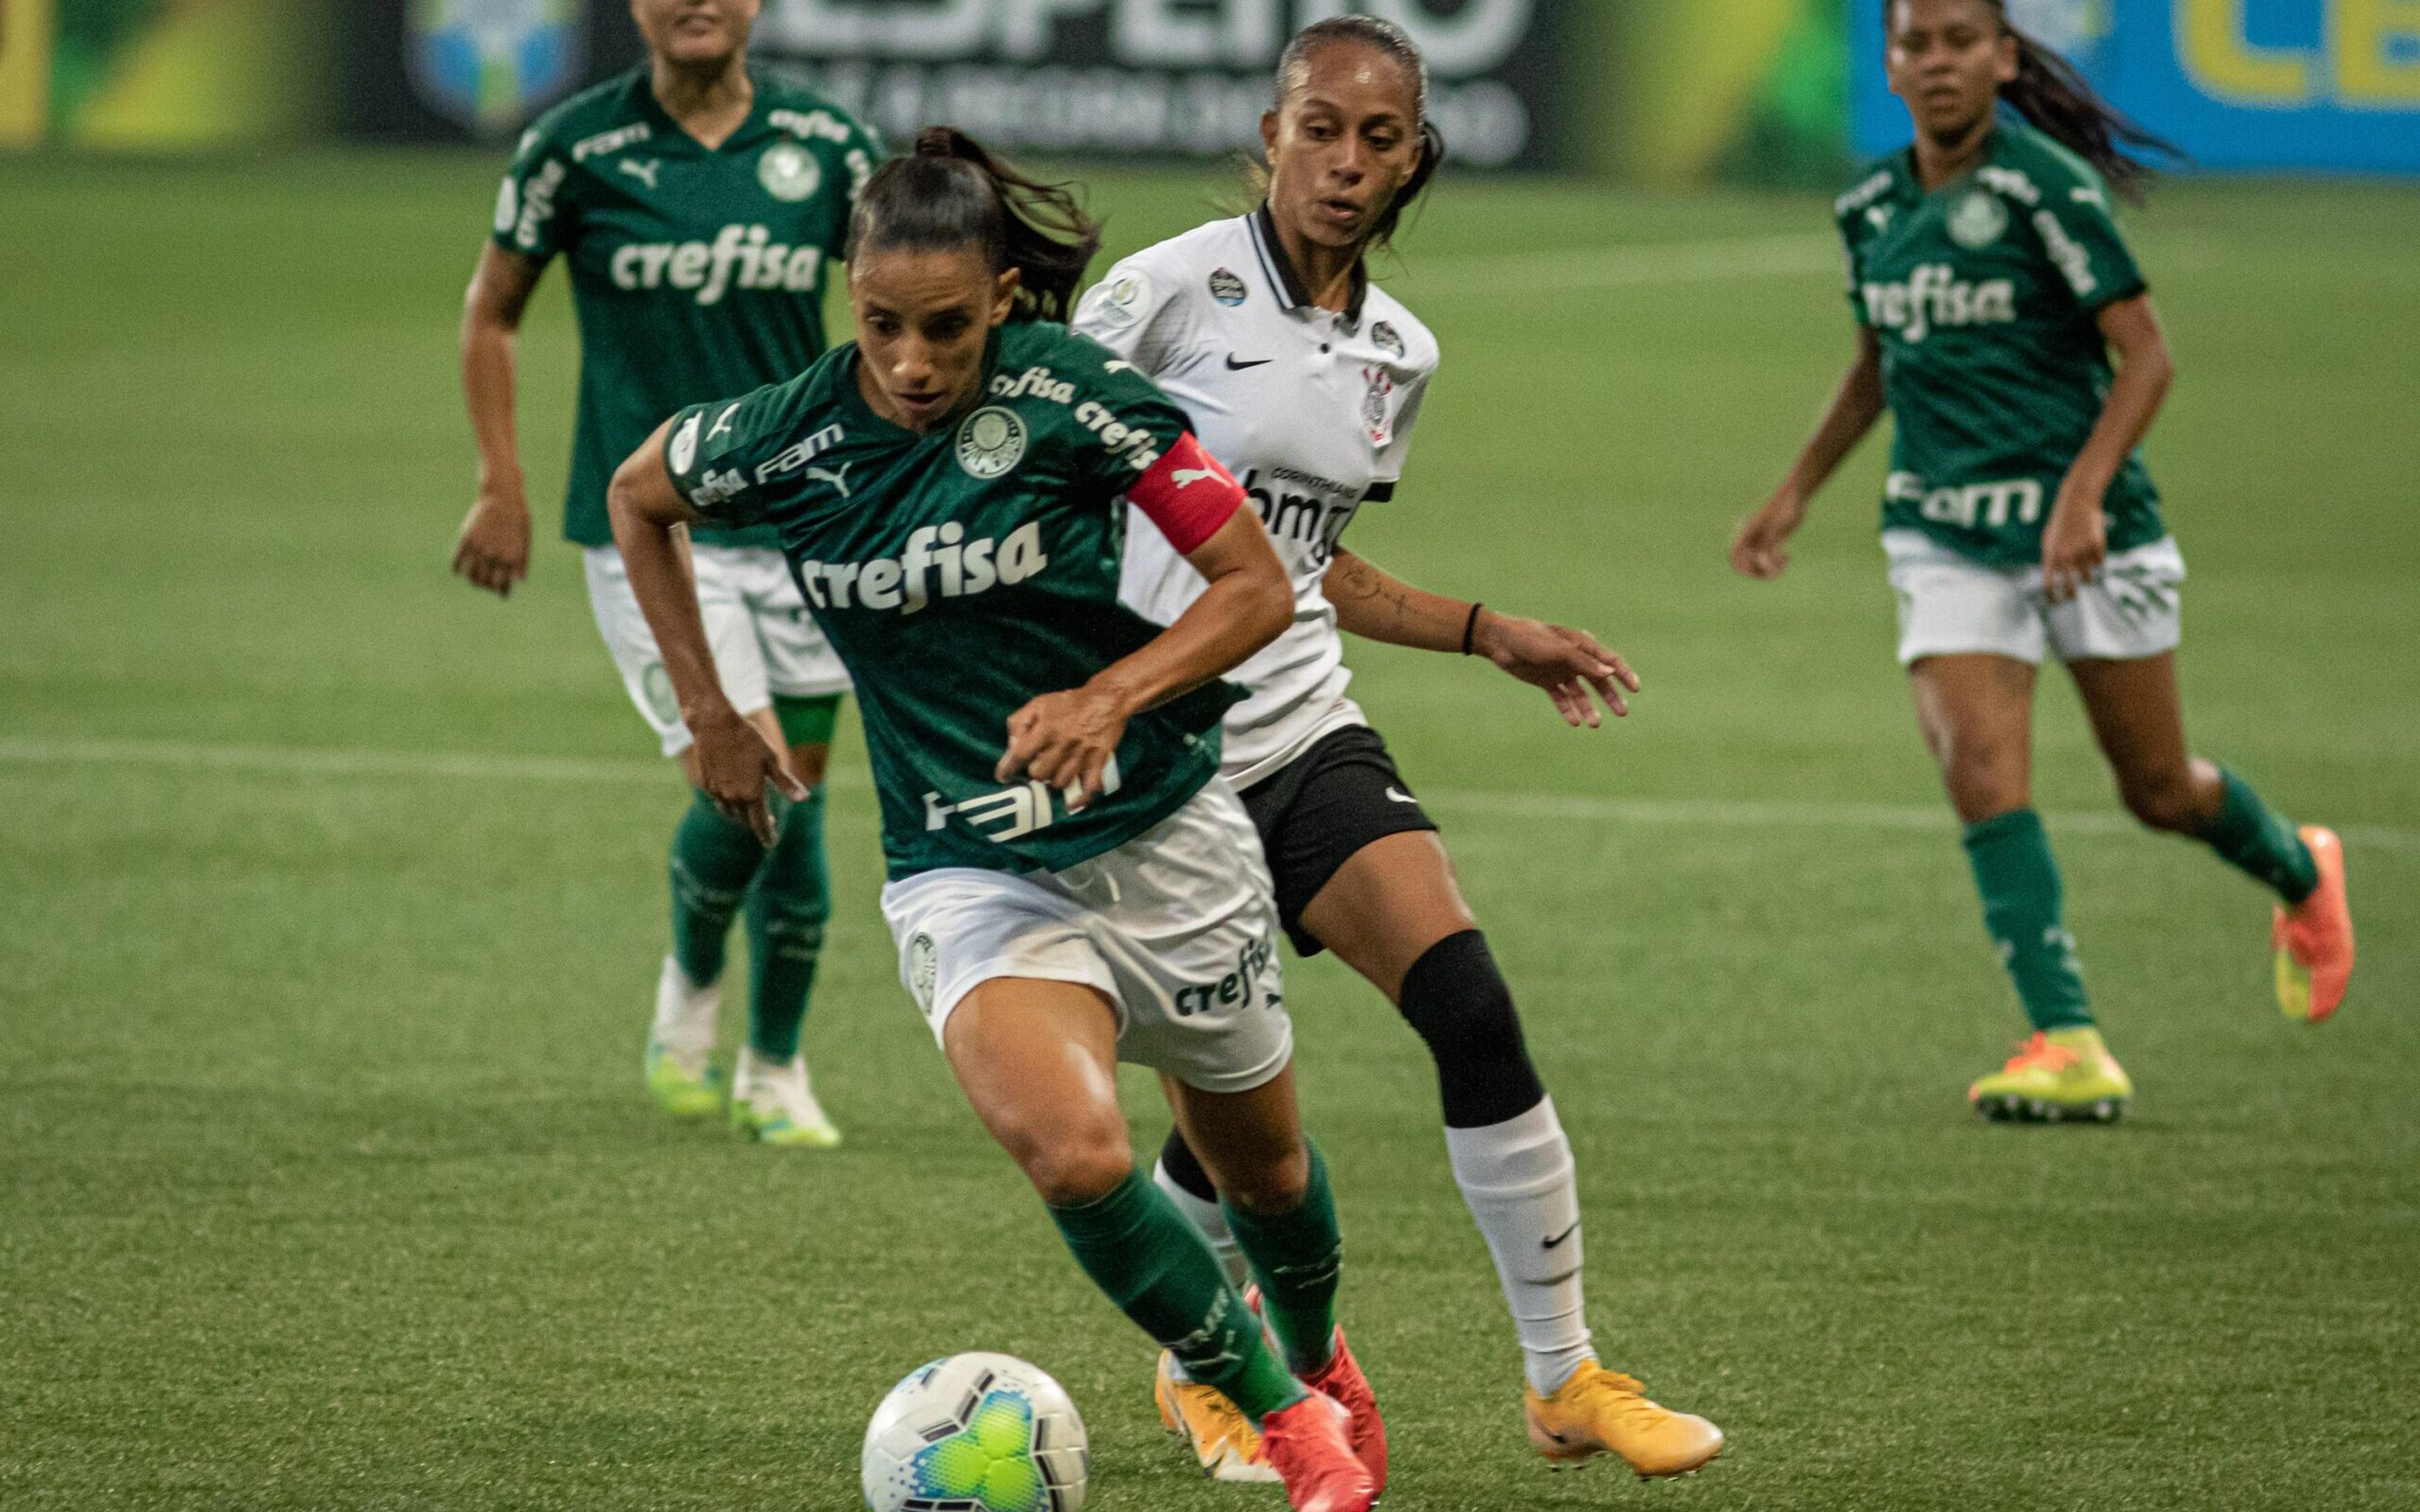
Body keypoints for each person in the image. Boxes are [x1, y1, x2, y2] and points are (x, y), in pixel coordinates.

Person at [606, 127, 1385, 1512]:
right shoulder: (785, 432)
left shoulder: (1073, 394)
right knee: (1075, 1152)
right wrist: (713, 714)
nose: (912, 362)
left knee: (1264, 1171)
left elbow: (1254, 586)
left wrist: (1112, 695)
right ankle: (1280, 1420)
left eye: (948, 330)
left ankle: (1317, 1359)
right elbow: (638, 494)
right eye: (884, 326)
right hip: (968, 865)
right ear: (848, 297)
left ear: (1007, 300)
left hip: (1160, 827)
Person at [1073, 14, 1723, 1486]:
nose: (1346, 161)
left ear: (1416, 156)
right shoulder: (1162, 295)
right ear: (1271, 132)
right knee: (1236, 1134)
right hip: (1157, 766)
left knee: (1473, 1005)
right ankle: (1201, 1372)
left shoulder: (1399, 351)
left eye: (1379, 137)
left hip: (1303, 723)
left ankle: (1565, 1380)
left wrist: (1489, 629)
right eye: (1321, 127)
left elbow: (1303, 564)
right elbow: (1033, 473)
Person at [1731, 0, 2356, 1121]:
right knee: (1978, 761)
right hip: (1943, 531)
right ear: (1891, 62)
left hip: (2088, 535)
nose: (1937, 64)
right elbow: (1882, 359)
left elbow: (2148, 356)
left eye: (1961, 42)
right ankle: (2067, 1035)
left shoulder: (2045, 186)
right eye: (1915, 45)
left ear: (2004, 57)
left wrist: (2080, 496)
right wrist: (1795, 489)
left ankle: (2300, 871)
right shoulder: (1871, 205)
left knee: (2159, 791)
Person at [454, 0, 882, 1145]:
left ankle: (773, 1067)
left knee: (801, 797)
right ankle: (694, 996)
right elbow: (492, 310)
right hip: (653, 527)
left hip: (803, 520)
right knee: (746, 785)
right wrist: (504, 483)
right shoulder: (573, 148)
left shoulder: (830, 147)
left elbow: (898, 312)